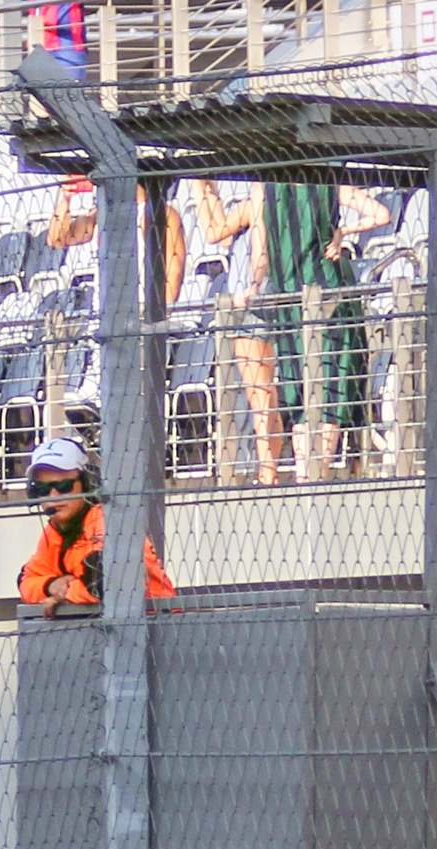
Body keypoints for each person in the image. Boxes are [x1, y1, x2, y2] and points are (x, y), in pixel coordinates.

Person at [257, 180, 390, 480]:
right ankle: (314, 475)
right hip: (329, 293)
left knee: (301, 390)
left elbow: (260, 252)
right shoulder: (328, 185)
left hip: (288, 298)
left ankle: (306, 477)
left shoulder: (267, 188)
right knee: (329, 388)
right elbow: (382, 215)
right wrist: (343, 232)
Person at [187, 177, 285, 481]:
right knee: (267, 392)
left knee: (259, 394)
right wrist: (206, 190)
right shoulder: (282, 199)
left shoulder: (259, 196)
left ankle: (267, 473)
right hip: (273, 293)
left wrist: (197, 185)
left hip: (252, 297)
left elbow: (217, 233)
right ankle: (270, 467)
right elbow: (223, 233)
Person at [17, 436, 176, 617]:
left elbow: (110, 582)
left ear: (87, 483)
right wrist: (51, 585)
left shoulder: (109, 520)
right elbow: (25, 582)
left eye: (64, 485)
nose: (53, 496)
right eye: (42, 489)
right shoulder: (54, 531)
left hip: (161, 625)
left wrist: (64, 594)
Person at [47, 175, 187, 307]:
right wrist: (66, 199)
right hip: (104, 313)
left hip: (143, 310)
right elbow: (57, 239)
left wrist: (158, 317)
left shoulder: (160, 213)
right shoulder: (100, 215)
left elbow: (174, 271)